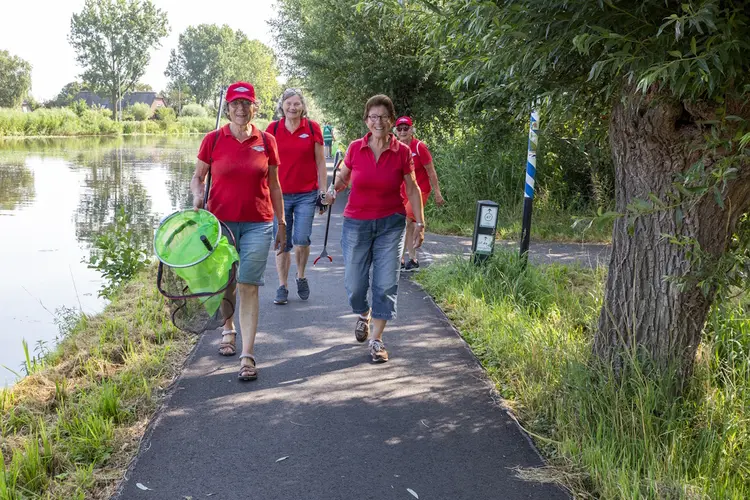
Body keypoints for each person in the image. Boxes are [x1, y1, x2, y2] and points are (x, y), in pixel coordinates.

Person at [191, 81, 285, 382]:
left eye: (246, 104)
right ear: (228, 107)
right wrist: (196, 195)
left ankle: (247, 355)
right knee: (226, 281)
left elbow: (274, 185)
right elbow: (198, 177)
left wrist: (281, 222)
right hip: (221, 225)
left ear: (254, 107)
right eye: (235, 104)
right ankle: (227, 326)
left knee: (249, 285)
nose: (241, 109)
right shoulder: (213, 139)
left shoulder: (267, 140)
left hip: (259, 222)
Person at [324, 94, 425, 363]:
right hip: (356, 222)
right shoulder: (356, 148)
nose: (378, 121)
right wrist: (332, 191)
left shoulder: (402, 152)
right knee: (355, 284)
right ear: (366, 120)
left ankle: (377, 340)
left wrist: (420, 222)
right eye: (373, 117)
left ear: (391, 120)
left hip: (391, 224)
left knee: (385, 283)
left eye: (383, 117)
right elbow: (343, 178)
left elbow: (413, 188)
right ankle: (363, 312)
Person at [266, 89, 328, 305]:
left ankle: (301, 276)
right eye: (288, 103)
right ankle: (282, 286)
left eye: (296, 104)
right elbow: (264, 163)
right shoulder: (272, 129)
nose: (292, 107)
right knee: (282, 242)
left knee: (301, 240)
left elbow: (321, 162)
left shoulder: (312, 128)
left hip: (306, 195)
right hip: (279, 196)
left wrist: (323, 192)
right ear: (282, 105)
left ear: (303, 106)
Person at [394, 116, 445, 272]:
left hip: (420, 190)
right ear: (396, 131)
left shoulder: (419, 147)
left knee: (407, 221)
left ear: (411, 130)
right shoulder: (394, 147)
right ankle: (412, 260)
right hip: (403, 192)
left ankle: (398, 260)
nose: (403, 131)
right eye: (400, 128)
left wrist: (437, 193)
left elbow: (431, 171)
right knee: (407, 224)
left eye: (406, 128)